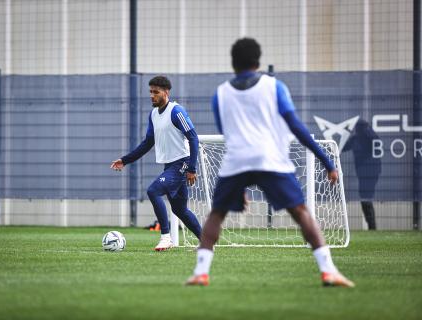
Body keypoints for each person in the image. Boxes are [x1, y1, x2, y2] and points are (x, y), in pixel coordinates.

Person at [186, 38, 354, 287]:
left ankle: (201, 272)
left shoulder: (220, 95)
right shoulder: (274, 87)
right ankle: (327, 270)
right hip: (270, 159)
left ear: (233, 63)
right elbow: (296, 127)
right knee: (300, 212)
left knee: (216, 214)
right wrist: (327, 162)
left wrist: (239, 186)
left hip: (236, 161)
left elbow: (230, 137)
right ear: (257, 61)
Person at [111, 76, 202, 251]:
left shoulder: (177, 112)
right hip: (169, 166)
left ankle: (166, 237)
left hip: (181, 164)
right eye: (150, 92)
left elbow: (193, 138)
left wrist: (191, 167)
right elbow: (147, 143)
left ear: (166, 92)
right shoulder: (153, 114)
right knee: (179, 210)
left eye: (156, 92)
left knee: (153, 190)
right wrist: (125, 160)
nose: (152, 95)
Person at [343, 119, 381, 230]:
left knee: (366, 197)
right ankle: (371, 225)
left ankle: (372, 226)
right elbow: (343, 147)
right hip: (361, 173)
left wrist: (367, 131)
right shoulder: (355, 139)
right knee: (364, 197)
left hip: (372, 172)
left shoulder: (370, 137)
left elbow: (376, 141)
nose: (358, 130)